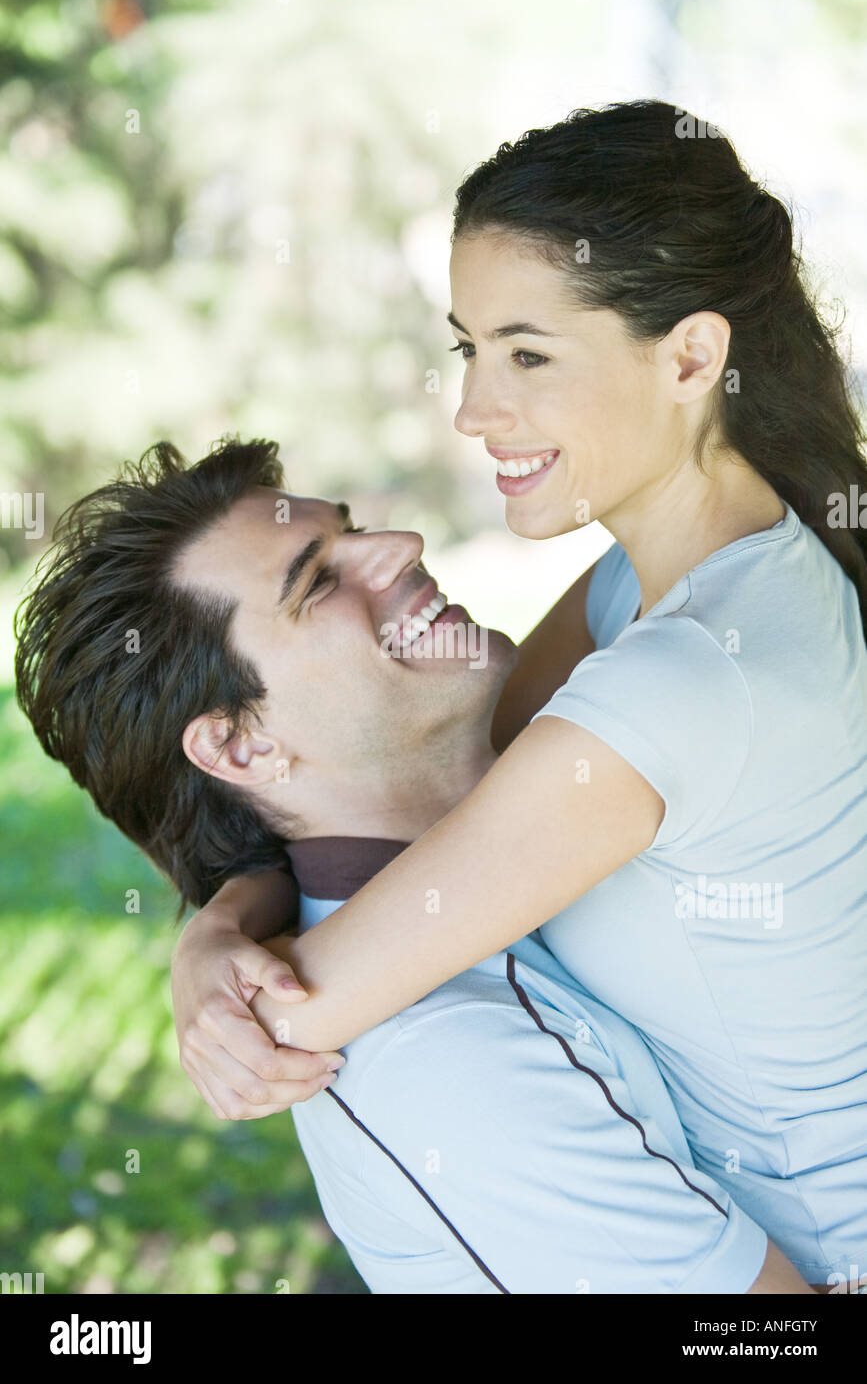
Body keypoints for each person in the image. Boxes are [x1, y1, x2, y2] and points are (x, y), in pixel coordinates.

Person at [169, 103, 867, 1293]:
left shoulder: (684, 676)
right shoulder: (673, 584)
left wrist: (216, 967)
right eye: (469, 350)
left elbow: (293, 1010)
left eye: (527, 355)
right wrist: (222, 917)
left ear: (691, 359)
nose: (475, 411)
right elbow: (445, 760)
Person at [13, 438, 811, 1293]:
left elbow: (695, 532)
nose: (402, 546)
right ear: (241, 746)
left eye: (350, 527)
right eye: (317, 582)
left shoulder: (531, 769)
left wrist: (224, 918)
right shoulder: (450, 1061)